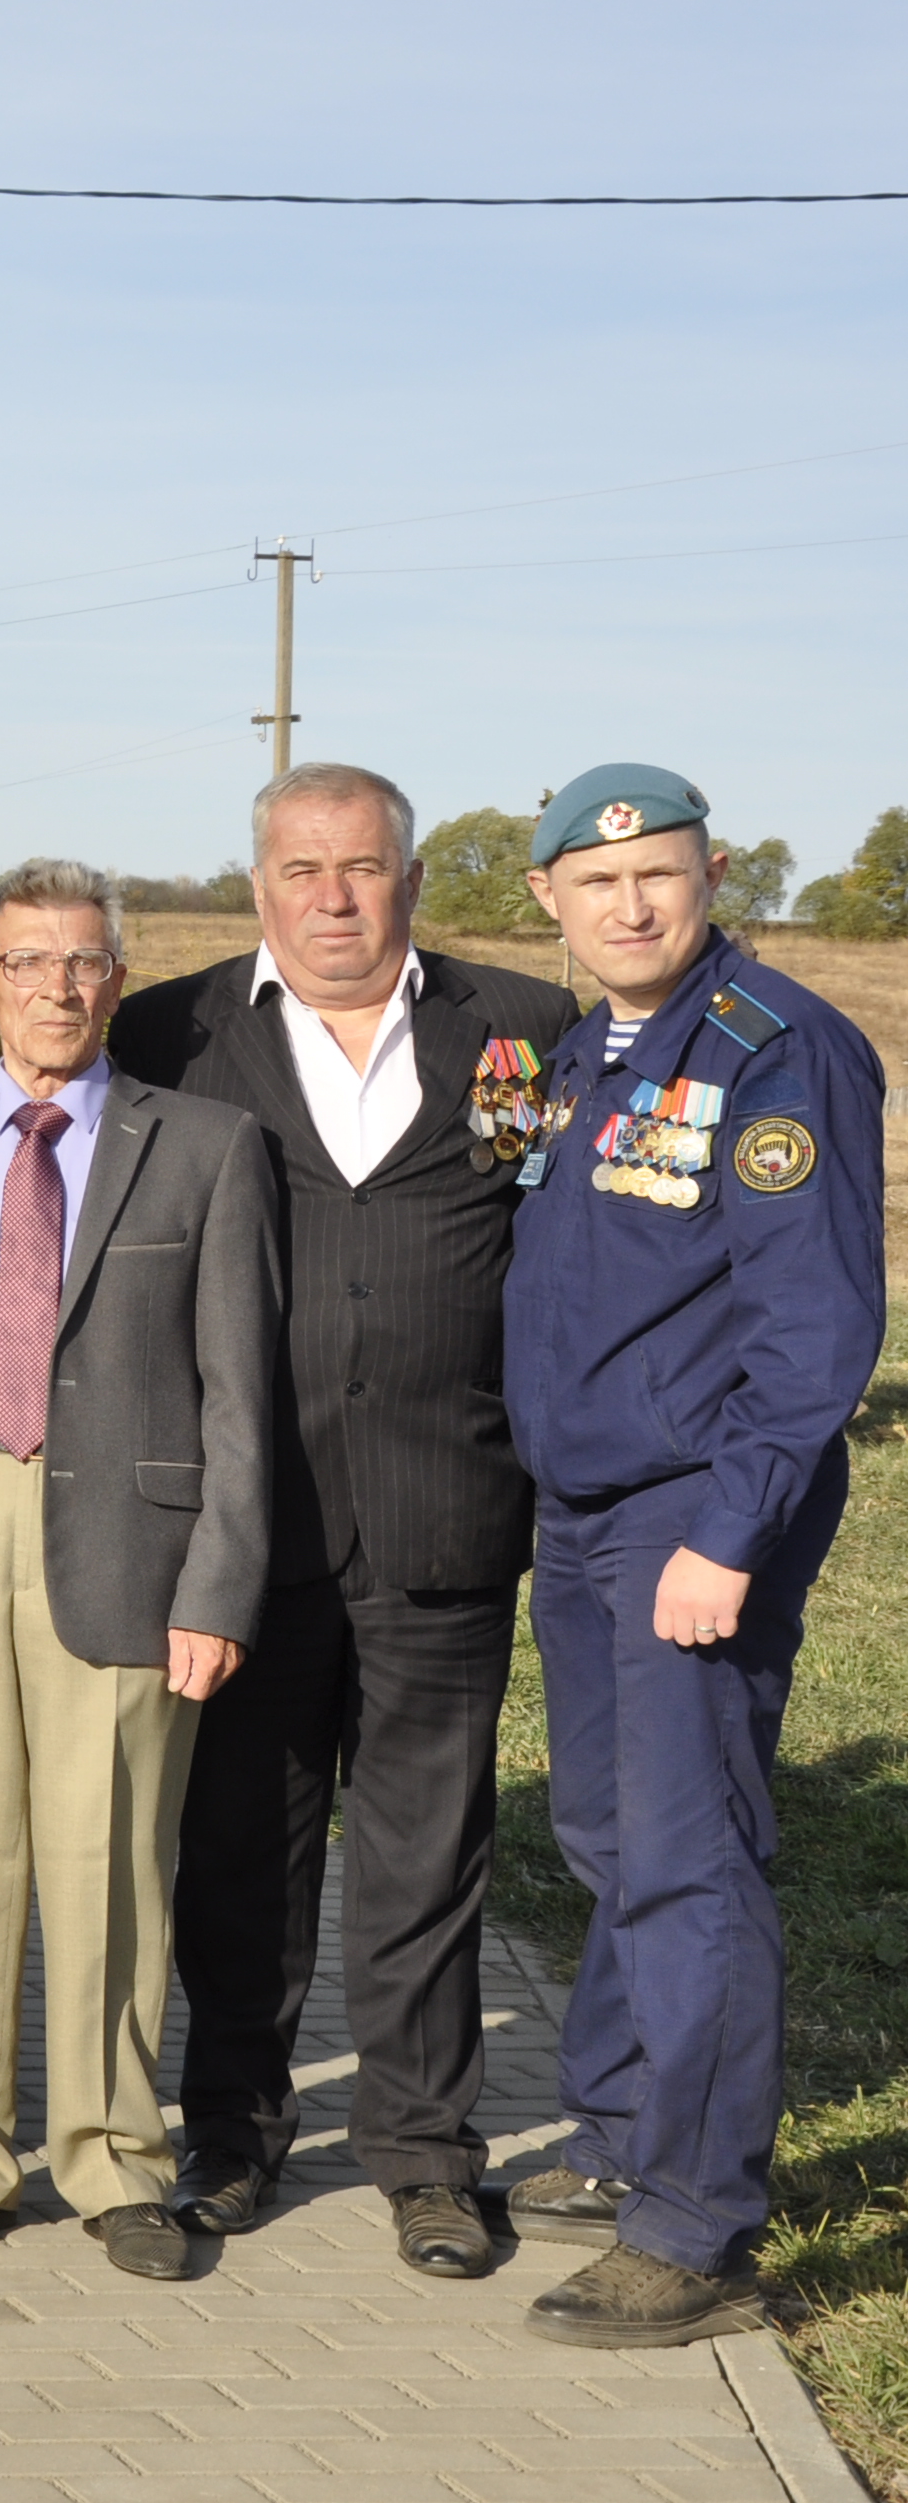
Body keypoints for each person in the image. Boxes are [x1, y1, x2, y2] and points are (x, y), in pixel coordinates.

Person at [107, 763, 576, 2278]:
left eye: (362, 868)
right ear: (258, 883)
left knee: (430, 1854)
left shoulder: (519, 1027)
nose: (333, 897)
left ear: (412, 882)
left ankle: (429, 2155)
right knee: (241, 1844)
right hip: (247, 1529)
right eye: (302, 868)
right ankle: (234, 2137)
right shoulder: (168, 1035)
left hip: (448, 1508)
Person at [0, 858, 275, 2281]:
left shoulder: (205, 1146)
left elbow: (239, 1401)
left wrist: (219, 1588)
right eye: (27, 963)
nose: (59, 989)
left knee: (111, 1866)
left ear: (117, 983)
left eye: (85, 963)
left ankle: (113, 2161)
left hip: (131, 1558)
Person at [498, 765, 884, 2349]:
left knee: (687, 1856)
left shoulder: (775, 1048)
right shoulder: (579, 1058)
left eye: (659, 874)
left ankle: (699, 2228)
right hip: (578, 1510)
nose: (632, 904)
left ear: (711, 874)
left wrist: (728, 1531)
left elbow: (815, 1330)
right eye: (598, 886)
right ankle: (616, 2135)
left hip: (692, 1510)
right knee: (602, 1833)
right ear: (550, 903)